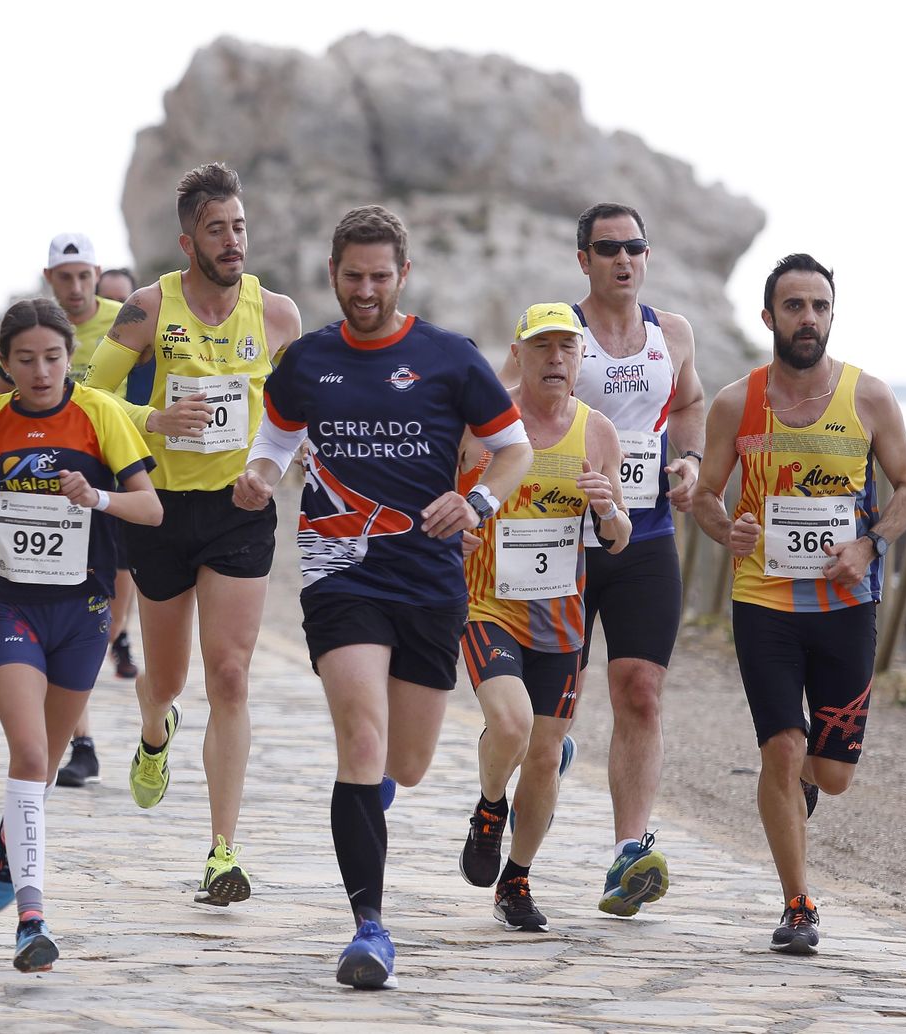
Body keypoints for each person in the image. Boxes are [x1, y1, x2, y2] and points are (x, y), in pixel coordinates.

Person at [234, 206, 531, 988]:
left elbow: (514, 449)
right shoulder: (306, 361)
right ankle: (369, 929)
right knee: (361, 743)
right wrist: (261, 475)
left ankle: (374, 800)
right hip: (341, 571)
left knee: (408, 760)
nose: (365, 291)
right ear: (333, 273)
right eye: (352, 276)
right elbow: (276, 437)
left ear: (404, 275)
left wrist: (477, 505)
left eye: (380, 276)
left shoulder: (448, 358)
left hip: (429, 580)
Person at [81, 162, 302, 906]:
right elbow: (92, 398)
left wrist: (270, 471)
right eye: (217, 229)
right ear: (187, 240)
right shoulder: (148, 307)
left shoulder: (277, 315)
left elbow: (293, 415)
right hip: (162, 513)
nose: (233, 240)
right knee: (167, 680)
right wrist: (152, 422)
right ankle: (154, 729)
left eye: (239, 226)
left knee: (231, 675)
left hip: (240, 512)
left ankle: (222, 851)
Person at [693, 253, 906, 955]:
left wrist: (869, 544)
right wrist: (723, 528)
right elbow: (703, 494)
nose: (808, 319)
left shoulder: (870, 398)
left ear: (831, 316)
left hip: (846, 603)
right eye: (794, 306)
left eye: (819, 306)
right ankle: (798, 904)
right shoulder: (737, 401)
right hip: (764, 601)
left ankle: (805, 788)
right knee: (781, 750)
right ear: (769, 318)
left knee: (835, 775)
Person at [0, 298, 160, 973]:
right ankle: (33, 919)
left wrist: (99, 498)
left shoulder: (101, 415)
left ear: (69, 359)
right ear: (4, 364)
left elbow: (150, 506)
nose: (39, 370)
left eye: (52, 357)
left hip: (84, 616)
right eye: (24, 359)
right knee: (29, 754)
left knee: (45, 767)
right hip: (14, 613)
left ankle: (8, 843)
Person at [457, 303, 631, 938]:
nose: (555, 359)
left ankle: (518, 878)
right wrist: (460, 540)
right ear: (520, 353)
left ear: (581, 357)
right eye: (542, 348)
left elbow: (619, 538)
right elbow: (447, 505)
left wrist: (609, 510)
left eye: (567, 348)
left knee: (546, 751)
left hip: (562, 618)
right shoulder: (484, 425)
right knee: (511, 724)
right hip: (488, 606)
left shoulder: (599, 433)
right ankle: (489, 806)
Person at [563, 202, 706, 916]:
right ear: (583, 259)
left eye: (635, 247)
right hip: (562, 543)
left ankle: (630, 852)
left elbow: (690, 403)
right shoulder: (561, 334)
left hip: (645, 538)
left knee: (641, 691)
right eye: (608, 248)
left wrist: (688, 460)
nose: (624, 259)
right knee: (541, 709)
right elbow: (500, 410)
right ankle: (523, 774)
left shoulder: (671, 333)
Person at [41, 234, 143, 788]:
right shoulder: (36, 325)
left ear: (97, 274)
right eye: (65, 277)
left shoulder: (126, 319)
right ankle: (83, 744)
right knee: (67, 614)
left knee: (109, 605)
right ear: (49, 278)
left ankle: (150, 718)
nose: (76, 288)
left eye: (84, 276)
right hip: (55, 487)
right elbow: (1, 393)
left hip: (120, 478)